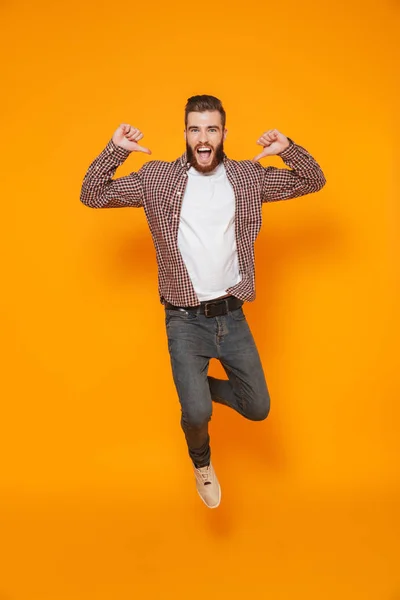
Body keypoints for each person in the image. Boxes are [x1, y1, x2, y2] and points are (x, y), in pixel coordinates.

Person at [80, 94, 326, 509]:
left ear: (224, 134)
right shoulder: (156, 179)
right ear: (186, 135)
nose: (203, 137)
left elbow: (312, 180)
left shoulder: (249, 178)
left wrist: (290, 149)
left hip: (232, 316)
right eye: (195, 129)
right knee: (196, 415)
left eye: (212, 128)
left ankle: (193, 388)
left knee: (258, 406)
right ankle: (202, 463)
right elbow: (92, 193)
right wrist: (114, 150)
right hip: (183, 319)